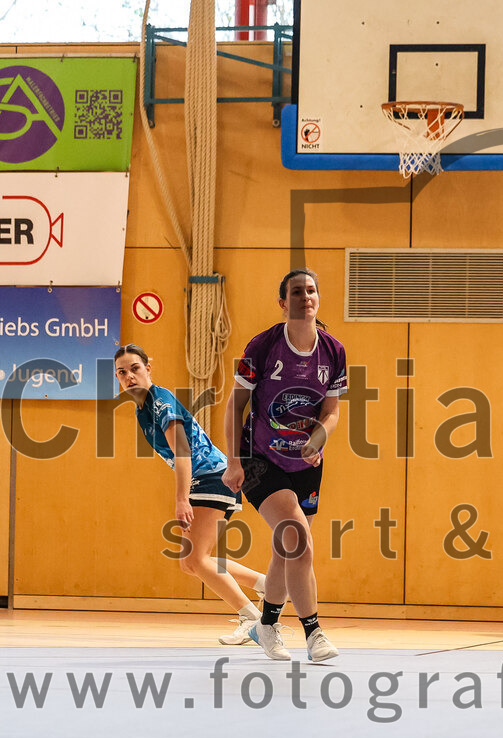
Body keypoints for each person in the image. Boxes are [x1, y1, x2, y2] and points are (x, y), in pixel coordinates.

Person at [223, 268, 346, 663]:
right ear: (282, 302)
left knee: (286, 548)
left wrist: (319, 437)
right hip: (260, 459)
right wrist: (233, 461)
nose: (305, 296)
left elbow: (331, 411)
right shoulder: (262, 347)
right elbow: (234, 405)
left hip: (306, 463)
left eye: (311, 290)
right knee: (299, 541)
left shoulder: (333, 351)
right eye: (296, 291)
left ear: (318, 298)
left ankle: (268, 624)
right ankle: (314, 632)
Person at [114, 343, 267, 645]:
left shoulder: (160, 402)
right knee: (192, 561)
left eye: (135, 368)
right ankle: (267, 584)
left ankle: (254, 620)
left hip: (210, 476)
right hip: (208, 479)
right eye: (122, 372)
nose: (129, 376)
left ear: (148, 368)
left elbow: (182, 451)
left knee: (196, 559)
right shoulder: (142, 409)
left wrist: (181, 498)